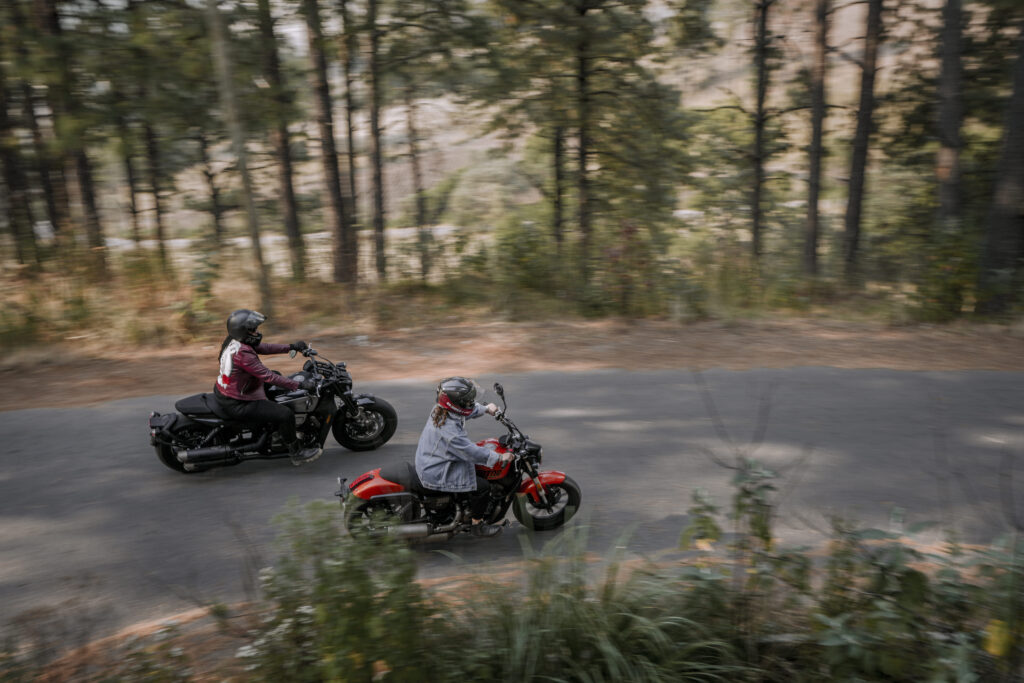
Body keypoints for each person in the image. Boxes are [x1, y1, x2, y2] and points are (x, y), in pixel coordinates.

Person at [213, 309, 322, 465]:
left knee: (276, 380)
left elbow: (263, 347)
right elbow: (268, 376)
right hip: (238, 402)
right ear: (243, 331)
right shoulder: (243, 354)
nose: (256, 331)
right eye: (252, 329)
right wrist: (300, 384)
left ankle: (272, 429)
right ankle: (296, 452)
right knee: (285, 414)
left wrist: (291, 347)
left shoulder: (234, 341)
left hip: (229, 390)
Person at [415, 376, 512, 537]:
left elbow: (463, 412)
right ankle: (477, 525)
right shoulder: (451, 433)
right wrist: (499, 458)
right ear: (456, 403)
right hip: (437, 471)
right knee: (482, 487)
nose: (470, 402)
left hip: (431, 460)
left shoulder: (441, 410)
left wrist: (486, 408)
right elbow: (470, 452)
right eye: (467, 400)